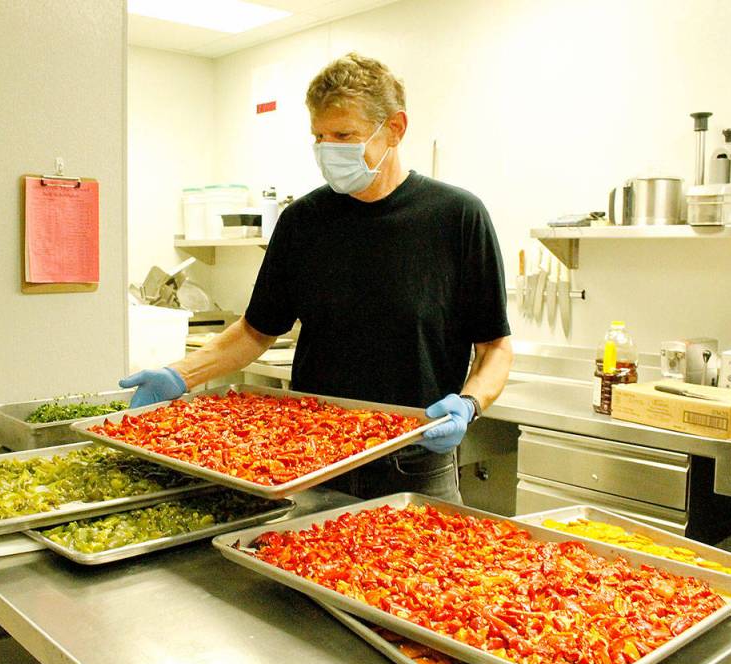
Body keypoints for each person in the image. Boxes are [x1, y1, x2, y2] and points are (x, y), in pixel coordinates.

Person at [120, 53, 512, 503]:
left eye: (343, 136)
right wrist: (179, 375)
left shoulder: (457, 218)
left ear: (395, 128)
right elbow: (255, 332)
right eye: (319, 137)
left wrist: (469, 403)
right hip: (310, 457)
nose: (328, 150)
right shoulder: (303, 221)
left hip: (415, 462)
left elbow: (495, 348)